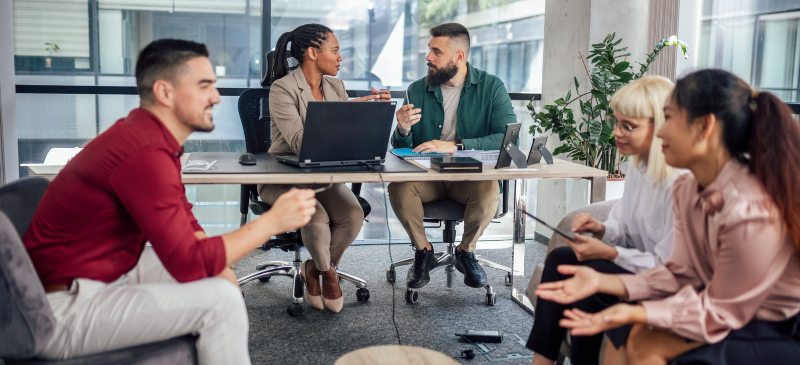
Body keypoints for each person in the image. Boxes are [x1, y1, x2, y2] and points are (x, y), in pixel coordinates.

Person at [22, 39, 317, 365]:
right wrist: (272, 223)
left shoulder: (146, 136)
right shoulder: (142, 151)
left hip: (94, 275)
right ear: (165, 92)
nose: (216, 97)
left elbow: (185, 221)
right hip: (53, 312)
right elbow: (187, 262)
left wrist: (217, 267)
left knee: (218, 276)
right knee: (219, 301)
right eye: (204, 86)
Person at [535, 69, 800, 365]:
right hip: (718, 305)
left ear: (704, 126)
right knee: (626, 334)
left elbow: (723, 311)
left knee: (642, 338)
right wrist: (601, 282)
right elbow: (680, 273)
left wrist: (635, 310)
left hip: (770, 325)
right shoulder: (689, 189)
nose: (661, 131)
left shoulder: (749, 210)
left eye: (669, 117)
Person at [527, 76, 679, 365]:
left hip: (661, 280)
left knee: (591, 286)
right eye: (616, 123)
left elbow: (669, 268)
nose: (617, 133)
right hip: (634, 265)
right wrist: (601, 229)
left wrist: (610, 252)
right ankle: (542, 362)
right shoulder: (639, 167)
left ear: (661, 126)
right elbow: (622, 225)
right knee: (560, 257)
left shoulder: (679, 185)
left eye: (628, 126)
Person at [261, 23, 390, 313]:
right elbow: (298, 142)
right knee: (315, 215)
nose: (340, 57)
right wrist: (346, 118)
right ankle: (329, 274)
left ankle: (313, 267)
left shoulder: (336, 87)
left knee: (353, 213)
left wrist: (367, 115)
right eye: (335, 50)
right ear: (312, 52)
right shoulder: (282, 89)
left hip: (322, 176)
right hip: (283, 176)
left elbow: (343, 136)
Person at [389, 23, 516, 290]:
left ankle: (465, 252)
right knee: (399, 189)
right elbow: (403, 146)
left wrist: (456, 146)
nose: (428, 58)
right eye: (429, 50)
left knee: (489, 191)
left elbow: (506, 139)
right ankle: (423, 251)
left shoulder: (491, 87)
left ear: (459, 56)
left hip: (469, 180)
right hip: (429, 179)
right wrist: (402, 129)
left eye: (436, 51)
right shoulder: (416, 89)